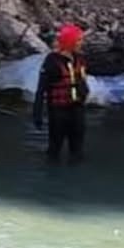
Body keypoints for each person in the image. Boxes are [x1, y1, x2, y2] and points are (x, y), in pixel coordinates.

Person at [32, 23, 90, 164]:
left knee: (77, 150)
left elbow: (83, 79)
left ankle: (75, 176)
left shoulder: (80, 59)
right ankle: (52, 174)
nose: (81, 43)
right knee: (55, 148)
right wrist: (37, 114)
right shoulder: (51, 62)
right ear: (69, 42)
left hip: (77, 110)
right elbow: (41, 90)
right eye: (78, 40)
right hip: (58, 112)